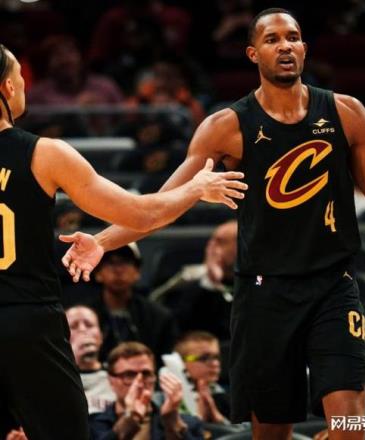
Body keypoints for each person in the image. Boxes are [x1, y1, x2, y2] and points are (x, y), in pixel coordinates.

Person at [61, 9, 365, 440]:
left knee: (349, 426)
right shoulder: (225, 128)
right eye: (272, 39)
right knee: (271, 432)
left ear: (304, 48)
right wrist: (102, 241)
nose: (285, 46)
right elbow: (161, 206)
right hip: (264, 294)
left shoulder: (346, 113)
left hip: (332, 286)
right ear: (253, 54)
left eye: (292, 37)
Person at [0, 43, 245, 440]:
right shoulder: (44, 153)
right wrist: (196, 188)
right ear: (7, 88)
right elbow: (141, 214)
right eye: (19, 77)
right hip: (28, 320)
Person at [90, 341, 204, 440]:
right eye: (129, 375)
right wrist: (129, 420)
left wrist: (172, 423)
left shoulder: (187, 424)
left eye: (146, 374)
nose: (139, 382)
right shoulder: (92, 425)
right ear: (111, 381)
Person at [91, 244, 178, 366]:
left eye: (125, 262)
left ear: (137, 272)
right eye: (110, 263)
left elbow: (166, 363)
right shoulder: (82, 318)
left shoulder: (159, 317)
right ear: (97, 273)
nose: (118, 270)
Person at [150, 220, 237, 341]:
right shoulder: (188, 280)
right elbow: (179, 326)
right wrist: (211, 282)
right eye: (212, 241)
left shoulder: (256, 281)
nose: (212, 248)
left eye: (221, 242)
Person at [169, 331, 230, 423]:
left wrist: (219, 419)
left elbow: (245, 430)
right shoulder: (163, 401)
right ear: (180, 362)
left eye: (216, 357)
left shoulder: (224, 397)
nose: (215, 363)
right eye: (204, 358)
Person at [66, 305, 116, 414]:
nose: (82, 330)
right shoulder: (56, 378)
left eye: (89, 325)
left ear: (100, 336)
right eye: (73, 326)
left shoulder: (117, 376)